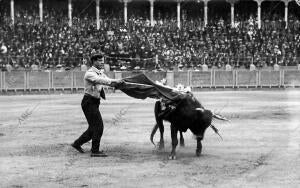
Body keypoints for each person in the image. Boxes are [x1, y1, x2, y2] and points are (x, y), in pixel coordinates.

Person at [72, 53, 124, 157]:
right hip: (89, 102)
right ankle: (95, 151)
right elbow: (102, 81)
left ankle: (77, 144)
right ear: (94, 61)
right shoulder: (90, 73)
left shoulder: (100, 72)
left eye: (102, 60)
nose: (102, 62)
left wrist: (119, 84)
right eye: (100, 61)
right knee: (99, 127)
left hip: (94, 102)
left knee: (93, 128)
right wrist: (115, 81)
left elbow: (106, 81)